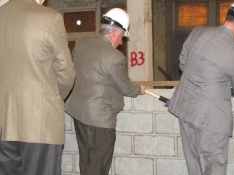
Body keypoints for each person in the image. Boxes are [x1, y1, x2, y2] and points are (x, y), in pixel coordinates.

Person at [168, 0, 234, 174]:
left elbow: (183, 64)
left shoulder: (198, 31)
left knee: (194, 167)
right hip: (211, 122)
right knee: (214, 168)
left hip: (186, 111)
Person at [65, 8, 146, 175]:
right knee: (98, 166)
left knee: (86, 161)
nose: (122, 42)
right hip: (100, 120)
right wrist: (140, 89)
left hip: (79, 113)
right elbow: (126, 87)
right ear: (115, 33)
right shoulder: (115, 58)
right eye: (122, 36)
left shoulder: (82, 42)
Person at [0, 0, 75, 175]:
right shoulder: (50, 19)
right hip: (41, 124)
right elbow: (66, 74)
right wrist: (54, 97)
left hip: (4, 123)